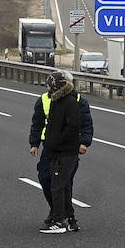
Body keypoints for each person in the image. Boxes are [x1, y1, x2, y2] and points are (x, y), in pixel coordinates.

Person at [29, 72, 95, 232]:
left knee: (63, 182)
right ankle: (58, 212)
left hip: (68, 147)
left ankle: (61, 217)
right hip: (50, 146)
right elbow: (37, 123)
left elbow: (85, 123)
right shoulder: (44, 100)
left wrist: (84, 142)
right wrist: (34, 143)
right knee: (45, 178)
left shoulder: (77, 101)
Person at [40, 72, 83, 234]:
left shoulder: (70, 102)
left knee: (57, 186)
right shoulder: (55, 101)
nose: (47, 88)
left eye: (49, 85)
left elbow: (73, 126)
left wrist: (58, 140)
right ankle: (71, 220)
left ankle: (59, 222)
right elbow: (51, 125)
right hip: (55, 150)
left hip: (66, 152)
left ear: (56, 86)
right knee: (62, 186)